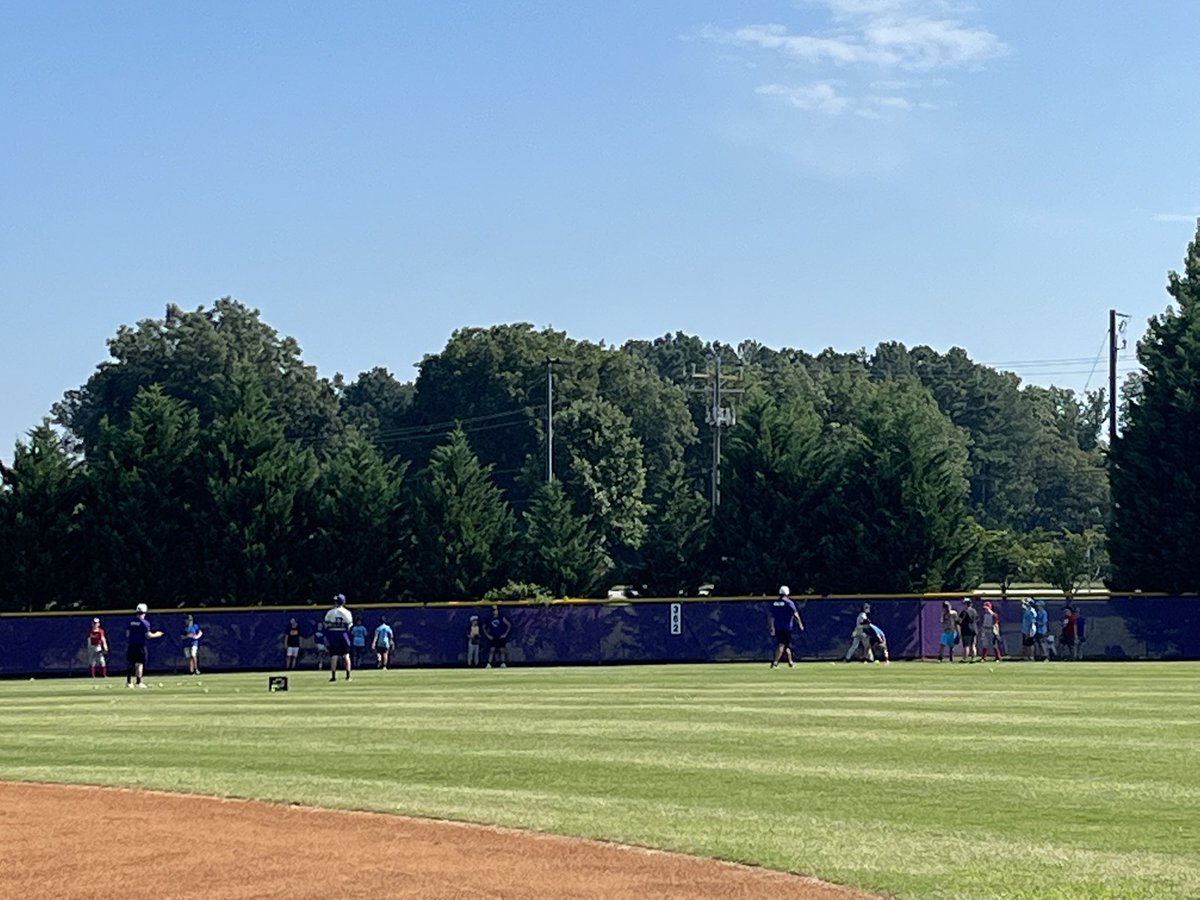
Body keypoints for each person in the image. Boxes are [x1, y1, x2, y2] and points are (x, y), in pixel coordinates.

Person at [125, 603, 164, 688]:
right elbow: (148, 635)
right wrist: (158, 634)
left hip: (131, 644)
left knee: (131, 663)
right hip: (140, 645)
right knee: (140, 663)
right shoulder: (144, 623)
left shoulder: (131, 622)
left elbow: (127, 634)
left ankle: (128, 682)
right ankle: (138, 682)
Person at [768, 586, 805, 668]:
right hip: (787, 627)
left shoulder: (775, 603)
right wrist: (800, 624)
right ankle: (775, 663)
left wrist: (772, 627)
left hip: (778, 627)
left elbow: (771, 616)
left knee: (787, 645)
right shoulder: (789, 603)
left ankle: (790, 662)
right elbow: (795, 614)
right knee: (782, 644)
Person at [324, 594, 353, 682]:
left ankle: (333, 677)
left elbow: (326, 624)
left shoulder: (330, 612)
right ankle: (348, 676)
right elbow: (350, 625)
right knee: (346, 654)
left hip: (333, 633)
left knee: (334, 655)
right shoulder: (347, 612)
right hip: (344, 633)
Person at [958, 598, 979, 663]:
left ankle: (964, 659)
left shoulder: (964, 612)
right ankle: (973, 659)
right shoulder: (974, 611)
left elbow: (960, 621)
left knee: (966, 645)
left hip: (966, 630)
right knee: (973, 645)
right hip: (974, 629)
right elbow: (977, 619)